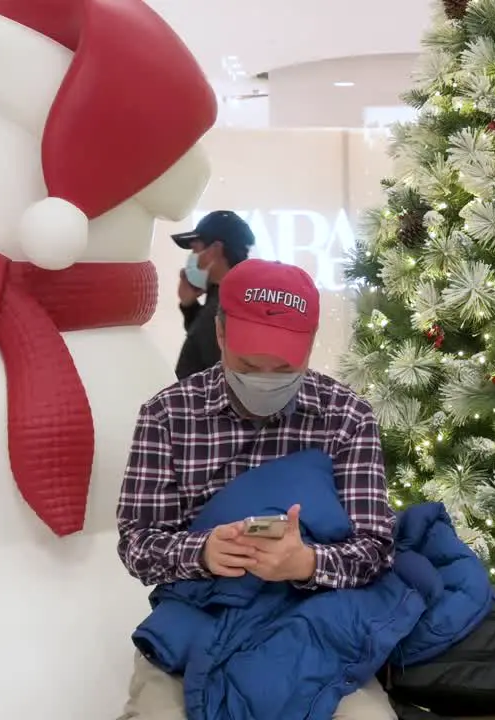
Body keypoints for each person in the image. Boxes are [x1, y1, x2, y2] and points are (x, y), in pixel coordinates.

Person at [115, 259, 397, 720]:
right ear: (221, 335)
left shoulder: (347, 417)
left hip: (311, 622)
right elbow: (137, 544)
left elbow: (377, 550)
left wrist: (306, 562)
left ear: (310, 345)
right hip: (197, 618)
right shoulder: (168, 415)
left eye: (284, 367)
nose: (265, 379)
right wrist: (203, 553)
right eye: (248, 364)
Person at [171, 210, 255, 379]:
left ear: (215, 250)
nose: (192, 257)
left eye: (195, 249)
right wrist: (189, 306)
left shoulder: (229, 306)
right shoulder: (230, 296)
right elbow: (205, 345)